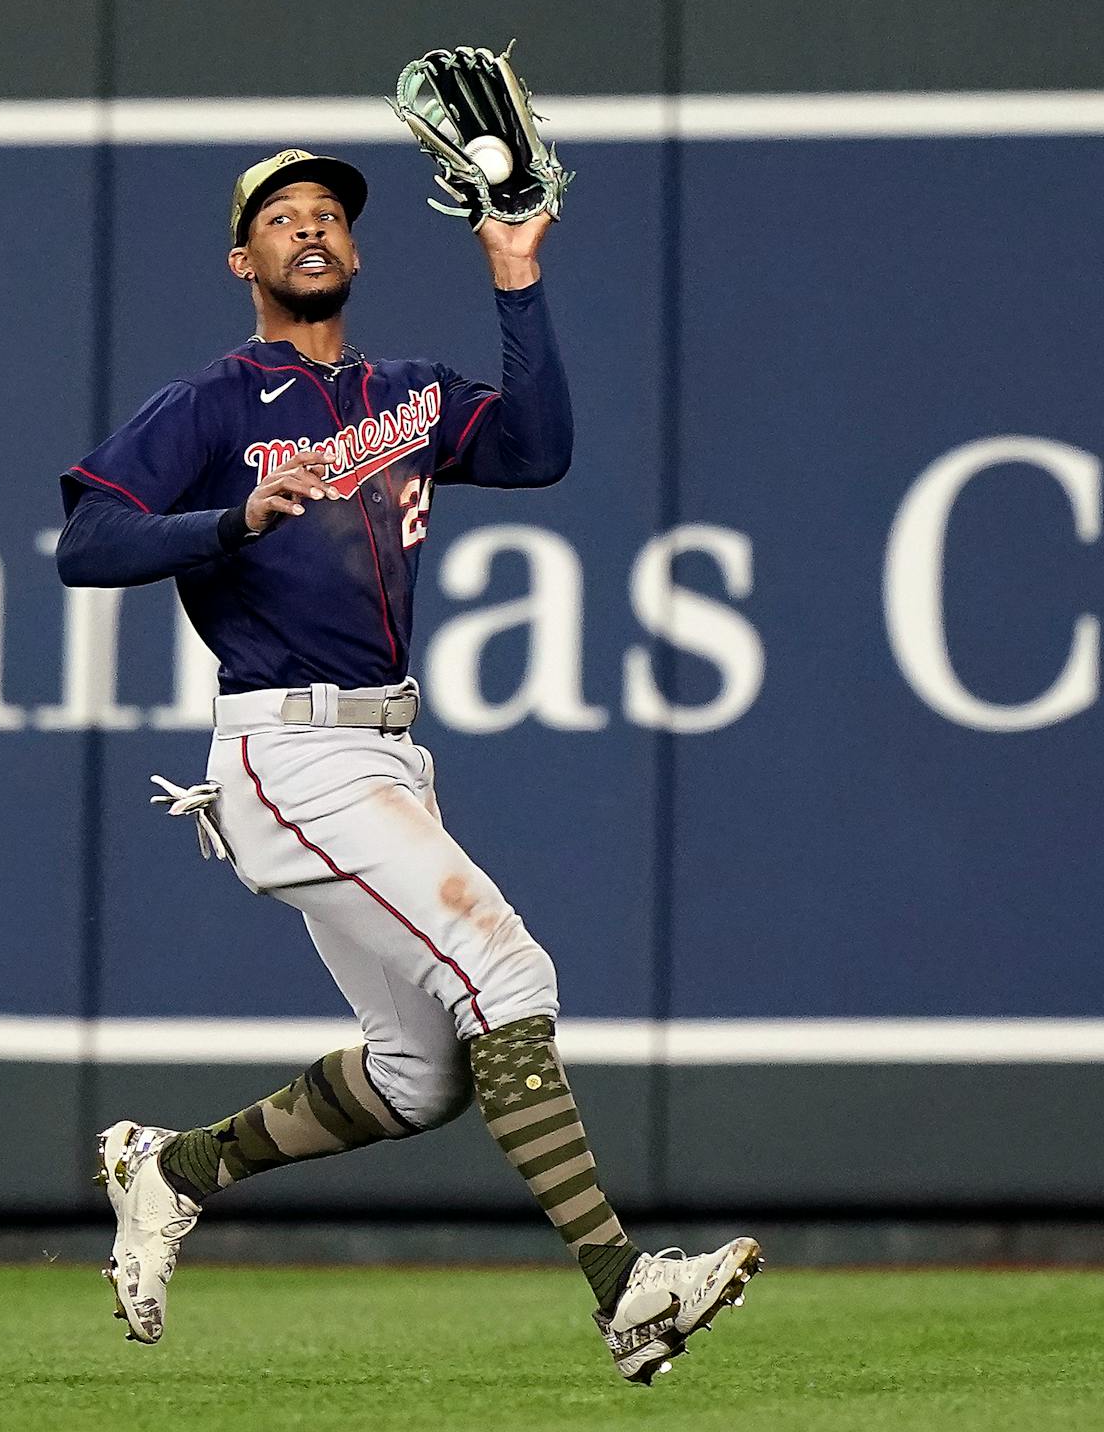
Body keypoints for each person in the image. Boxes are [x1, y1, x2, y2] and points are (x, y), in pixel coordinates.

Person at [55, 148, 760, 1384]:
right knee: (507, 965)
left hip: (383, 749)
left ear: (357, 251)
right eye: (282, 220)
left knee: (419, 1074)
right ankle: (624, 1285)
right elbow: (88, 541)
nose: (312, 228)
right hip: (284, 747)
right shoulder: (215, 404)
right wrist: (234, 518)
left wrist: (515, 275)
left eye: (330, 213)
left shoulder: (410, 395)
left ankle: (171, 1170)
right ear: (246, 262)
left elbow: (537, 451)